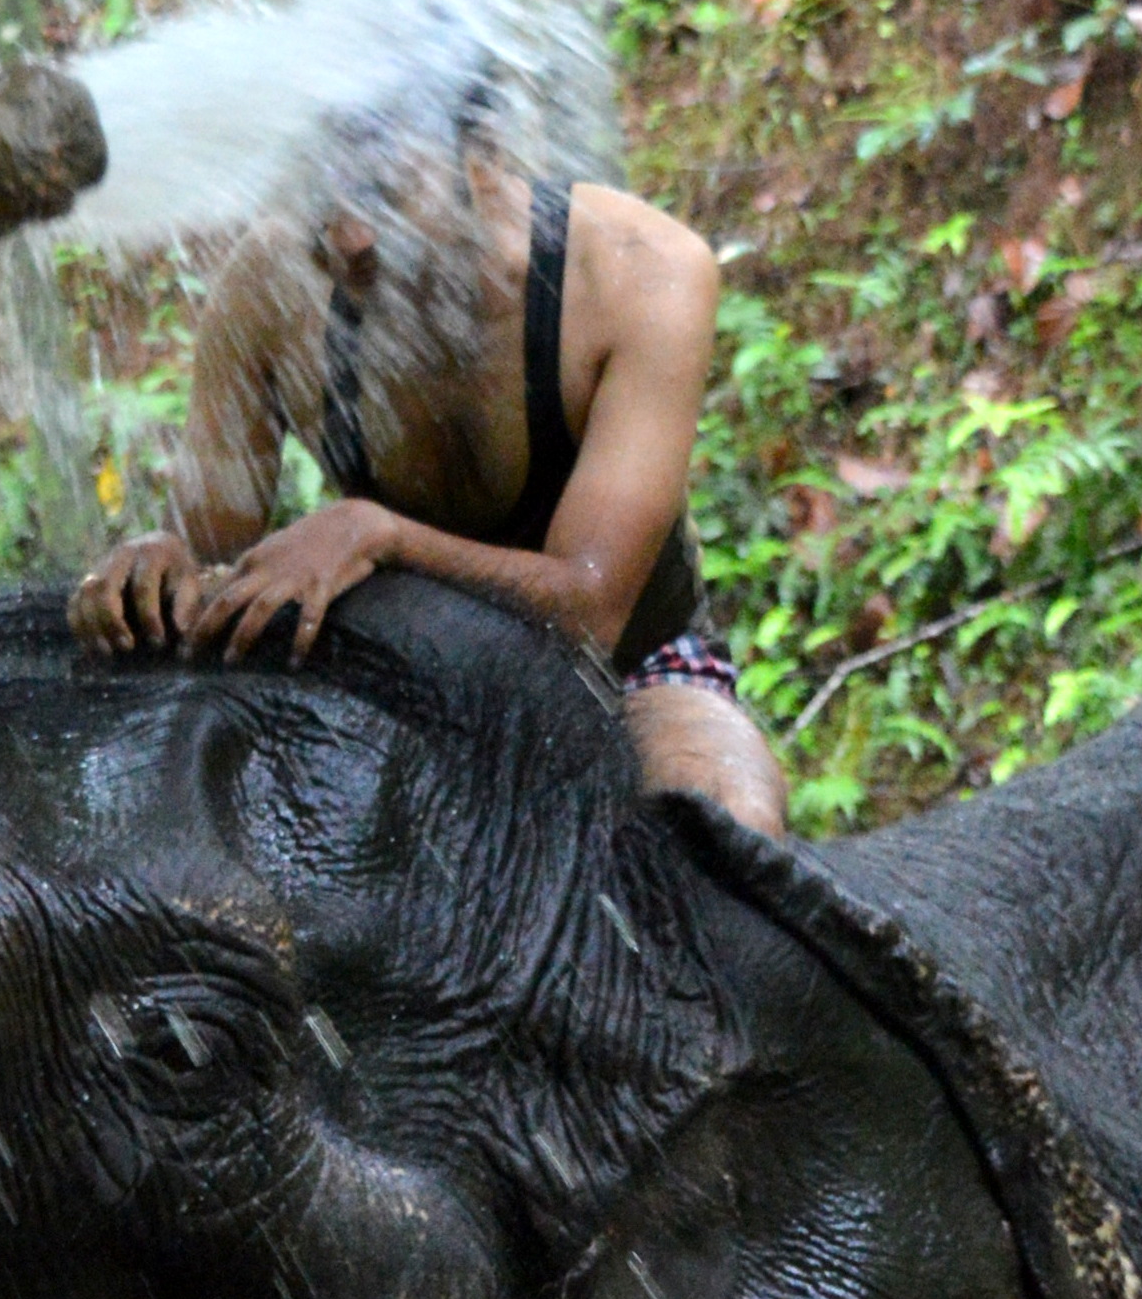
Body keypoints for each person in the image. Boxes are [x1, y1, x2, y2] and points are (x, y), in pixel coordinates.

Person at [70, 117, 790, 829]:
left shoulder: (637, 271)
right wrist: (153, 569)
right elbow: (208, 557)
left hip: (630, 669)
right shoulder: (273, 288)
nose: (353, 238)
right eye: (325, 200)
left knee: (730, 823)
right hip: (403, 678)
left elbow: (593, 610)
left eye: (382, 192)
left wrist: (379, 534)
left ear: (482, 152)